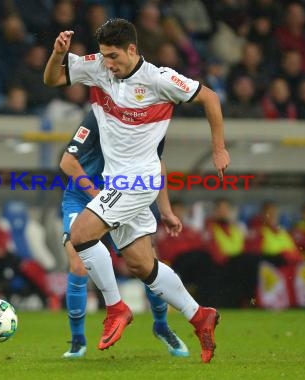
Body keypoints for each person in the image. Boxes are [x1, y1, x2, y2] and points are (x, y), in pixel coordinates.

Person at [44, 19, 230, 363]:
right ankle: (199, 314)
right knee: (142, 265)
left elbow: (210, 97)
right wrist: (58, 55)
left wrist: (218, 148)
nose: (109, 64)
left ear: (132, 49)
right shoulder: (98, 68)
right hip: (118, 182)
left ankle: (116, 308)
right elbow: (53, 78)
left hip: (140, 180)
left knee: (81, 234)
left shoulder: (160, 80)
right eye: (104, 56)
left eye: (114, 56)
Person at [59, 111, 188, 358]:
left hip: (126, 197)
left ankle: (161, 326)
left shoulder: (147, 120)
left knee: (147, 267)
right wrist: (98, 198)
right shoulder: (97, 117)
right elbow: (67, 162)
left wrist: (166, 211)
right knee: (77, 264)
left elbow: (157, 165)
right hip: (83, 198)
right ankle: (77, 340)